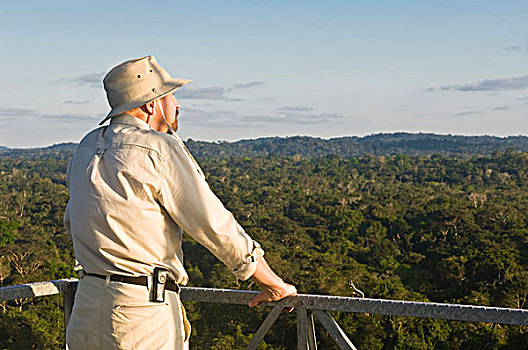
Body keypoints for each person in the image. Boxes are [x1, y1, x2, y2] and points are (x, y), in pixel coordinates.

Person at [64, 56, 296, 349]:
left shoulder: (86, 146)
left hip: (85, 310)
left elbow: (73, 220)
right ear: (151, 104)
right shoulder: (158, 148)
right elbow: (214, 225)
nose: (176, 105)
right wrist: (273, 282)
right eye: (171, 95)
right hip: (140, 317)